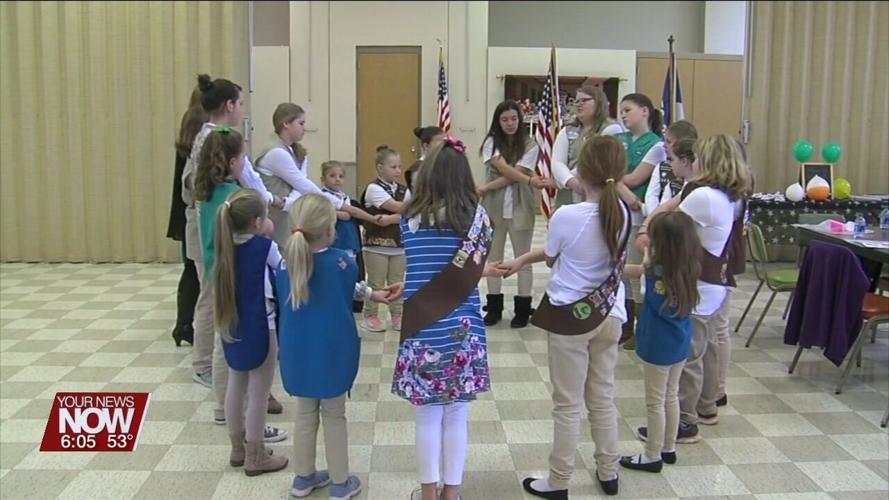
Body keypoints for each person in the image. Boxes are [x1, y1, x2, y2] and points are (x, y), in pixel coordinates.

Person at [499, 135, 632, 498]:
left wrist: (523, 259)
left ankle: (559, 481)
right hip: (611, 313)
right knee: (602, 397)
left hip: (570, 319)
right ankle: (608, 471)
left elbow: (553, 257)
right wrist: (523, 259)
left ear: (580, 172)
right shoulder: (622, 213)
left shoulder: (567, 215)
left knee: (568, 404)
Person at [392, 135, 506, 500]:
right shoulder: (479, 220)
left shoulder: (408, 218)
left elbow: (423, 265)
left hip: (422, 327)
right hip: (463, 329)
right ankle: (452, 494)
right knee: (457, 415)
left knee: (427, 416)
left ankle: (428, 493)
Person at [277, 193, 395, 500]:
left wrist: (370, 294)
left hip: (297, 353)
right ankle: (340, 483)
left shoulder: (286, 264)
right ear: (330, 229)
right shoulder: (343, 262)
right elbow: (344, 286)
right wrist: (372, 294)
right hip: (332, 351)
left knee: (304, 414)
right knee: (334, 415)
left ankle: (303, 478)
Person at [635, 134, 752, 445]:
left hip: (698, 286)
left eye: (698, 156)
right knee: (704, 349)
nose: (694, 160)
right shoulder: (728, 196)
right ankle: (706, 405)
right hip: (714, 283)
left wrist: (647, 232)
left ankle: (685, 422)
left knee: (687, 359)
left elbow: (667, 227)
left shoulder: (704, 197)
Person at [212, 189, 289, 476]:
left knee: (236, 385)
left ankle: (238, 448)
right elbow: (285, 269)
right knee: (259, 394)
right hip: (261, 327)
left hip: (231, 326)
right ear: (257, 222)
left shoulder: (224, 245)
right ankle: (256, 455)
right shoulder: (264, 247)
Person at [619, 211, 701, 473]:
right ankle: (668, 447)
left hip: (659, 345)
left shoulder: (657, 274)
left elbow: (646, 283)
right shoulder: (686, 267)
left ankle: (652, 455)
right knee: (670, 395)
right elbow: (637, 271)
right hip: (679, 342)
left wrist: (645, 257)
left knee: (655, 401)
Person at [255, 103, 382, 248]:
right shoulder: (276, 152)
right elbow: (304, 186)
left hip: (286, 215)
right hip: (273, 218)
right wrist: (339, 205)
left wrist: (288, 203)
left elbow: (300, 186)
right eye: (301, 123)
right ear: (286, 124)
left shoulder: (297, 152)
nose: (304, 128)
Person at [476, 100, 550, 328]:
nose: (510, 123)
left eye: (514, 119)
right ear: (498, 121)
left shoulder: (530, 144)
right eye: (505, 119)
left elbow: (515, 173)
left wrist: (486, 187)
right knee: (494, 259)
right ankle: (494, 308)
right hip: (494, 208)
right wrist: (529, 180)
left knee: (523, 259)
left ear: (520, 120)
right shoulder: (490, 142)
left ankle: (523, 310)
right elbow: (503, 168)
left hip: (521, 207)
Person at [614, 93, 667, 349]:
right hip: (617, 211)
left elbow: (636, 178)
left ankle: (639, 327)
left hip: (639, 215)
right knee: (619, 268)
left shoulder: (656, 145)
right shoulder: (619, 140)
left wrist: (615, 181)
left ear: (645, 111)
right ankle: (623, 325)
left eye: (628, 110)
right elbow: (607, 172)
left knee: (635, 270)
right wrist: (622, 190)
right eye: (621, 111)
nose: (623, 115)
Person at [167, 99, 207, 347]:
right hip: (194, 211)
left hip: (186, 210)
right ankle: (185, 324)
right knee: (194, 270)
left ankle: (183, 323)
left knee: (190, 269)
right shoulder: (202, 132)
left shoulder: (190, 124)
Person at [360, 145, 410, 332]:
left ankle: (397, 314)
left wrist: (390, 219)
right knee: (376, 282)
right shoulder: (373, 189)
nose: (398, 171)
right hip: (376, 246)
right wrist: (401, 214)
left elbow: (411, 212)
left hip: (399, 245)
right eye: (393, 167)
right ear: (380, 168)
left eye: (399, 167)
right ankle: (370, 314)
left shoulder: (404, 190)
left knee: (397, 281)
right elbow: (400, 208)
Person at [551, 85, 625, 206]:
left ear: (599, 102)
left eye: (584, 100)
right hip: (568, 192)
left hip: (597, 193)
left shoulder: (611, 128)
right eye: (576, 101)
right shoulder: (568, 129)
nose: (579, 104)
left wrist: (568, 179)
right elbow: (557, 162)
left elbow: (596, 161)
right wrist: (570, 181)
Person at [642, 120, 698, 217]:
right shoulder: (663, 167)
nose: (664, 144)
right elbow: (651, 195)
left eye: (668, 142)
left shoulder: (695, 174)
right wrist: (653, 215)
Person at [405, 126, 445, 191]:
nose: (444, 146)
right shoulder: (419, 168)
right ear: (426, 146)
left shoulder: (443, 163)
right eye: (439, 143)